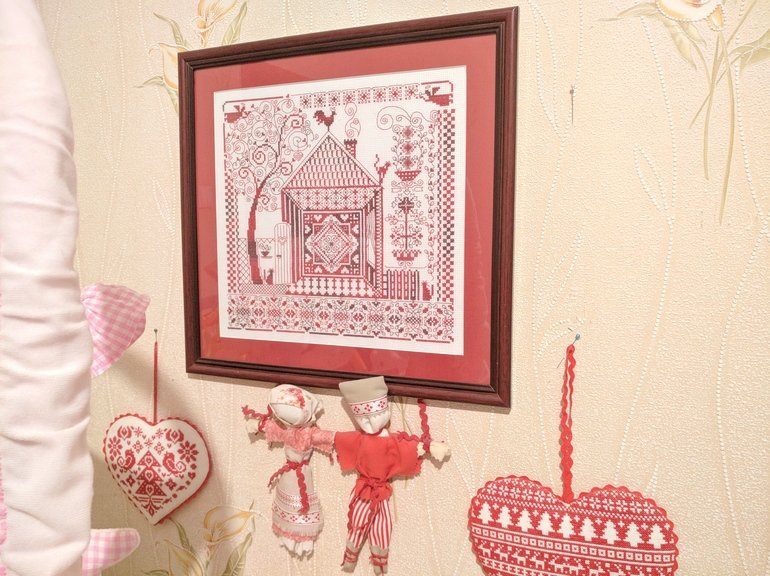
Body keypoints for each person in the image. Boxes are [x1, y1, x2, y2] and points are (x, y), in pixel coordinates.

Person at [334, 376, 450, 574]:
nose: (369, 423)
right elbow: (335, 438)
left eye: (374, 415)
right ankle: (350, 559)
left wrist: (431, 447)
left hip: (381, 491)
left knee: (383, 524)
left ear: (386, 412)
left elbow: (412, 447)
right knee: (357, 523)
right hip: (364, 489)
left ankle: (379, 564)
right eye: (362, 418)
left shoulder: (392, 440)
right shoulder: (359, 439)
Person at [244, 385, 334, 556]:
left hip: (301, 474)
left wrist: (349, 440)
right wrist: (256, 425)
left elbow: (328, 437)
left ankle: (304, 539)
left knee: (302, 505)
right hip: (288, 474)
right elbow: (271, 428)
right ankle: (285, 533)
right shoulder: (286, 430)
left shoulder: (309, 433)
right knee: (287, 502)